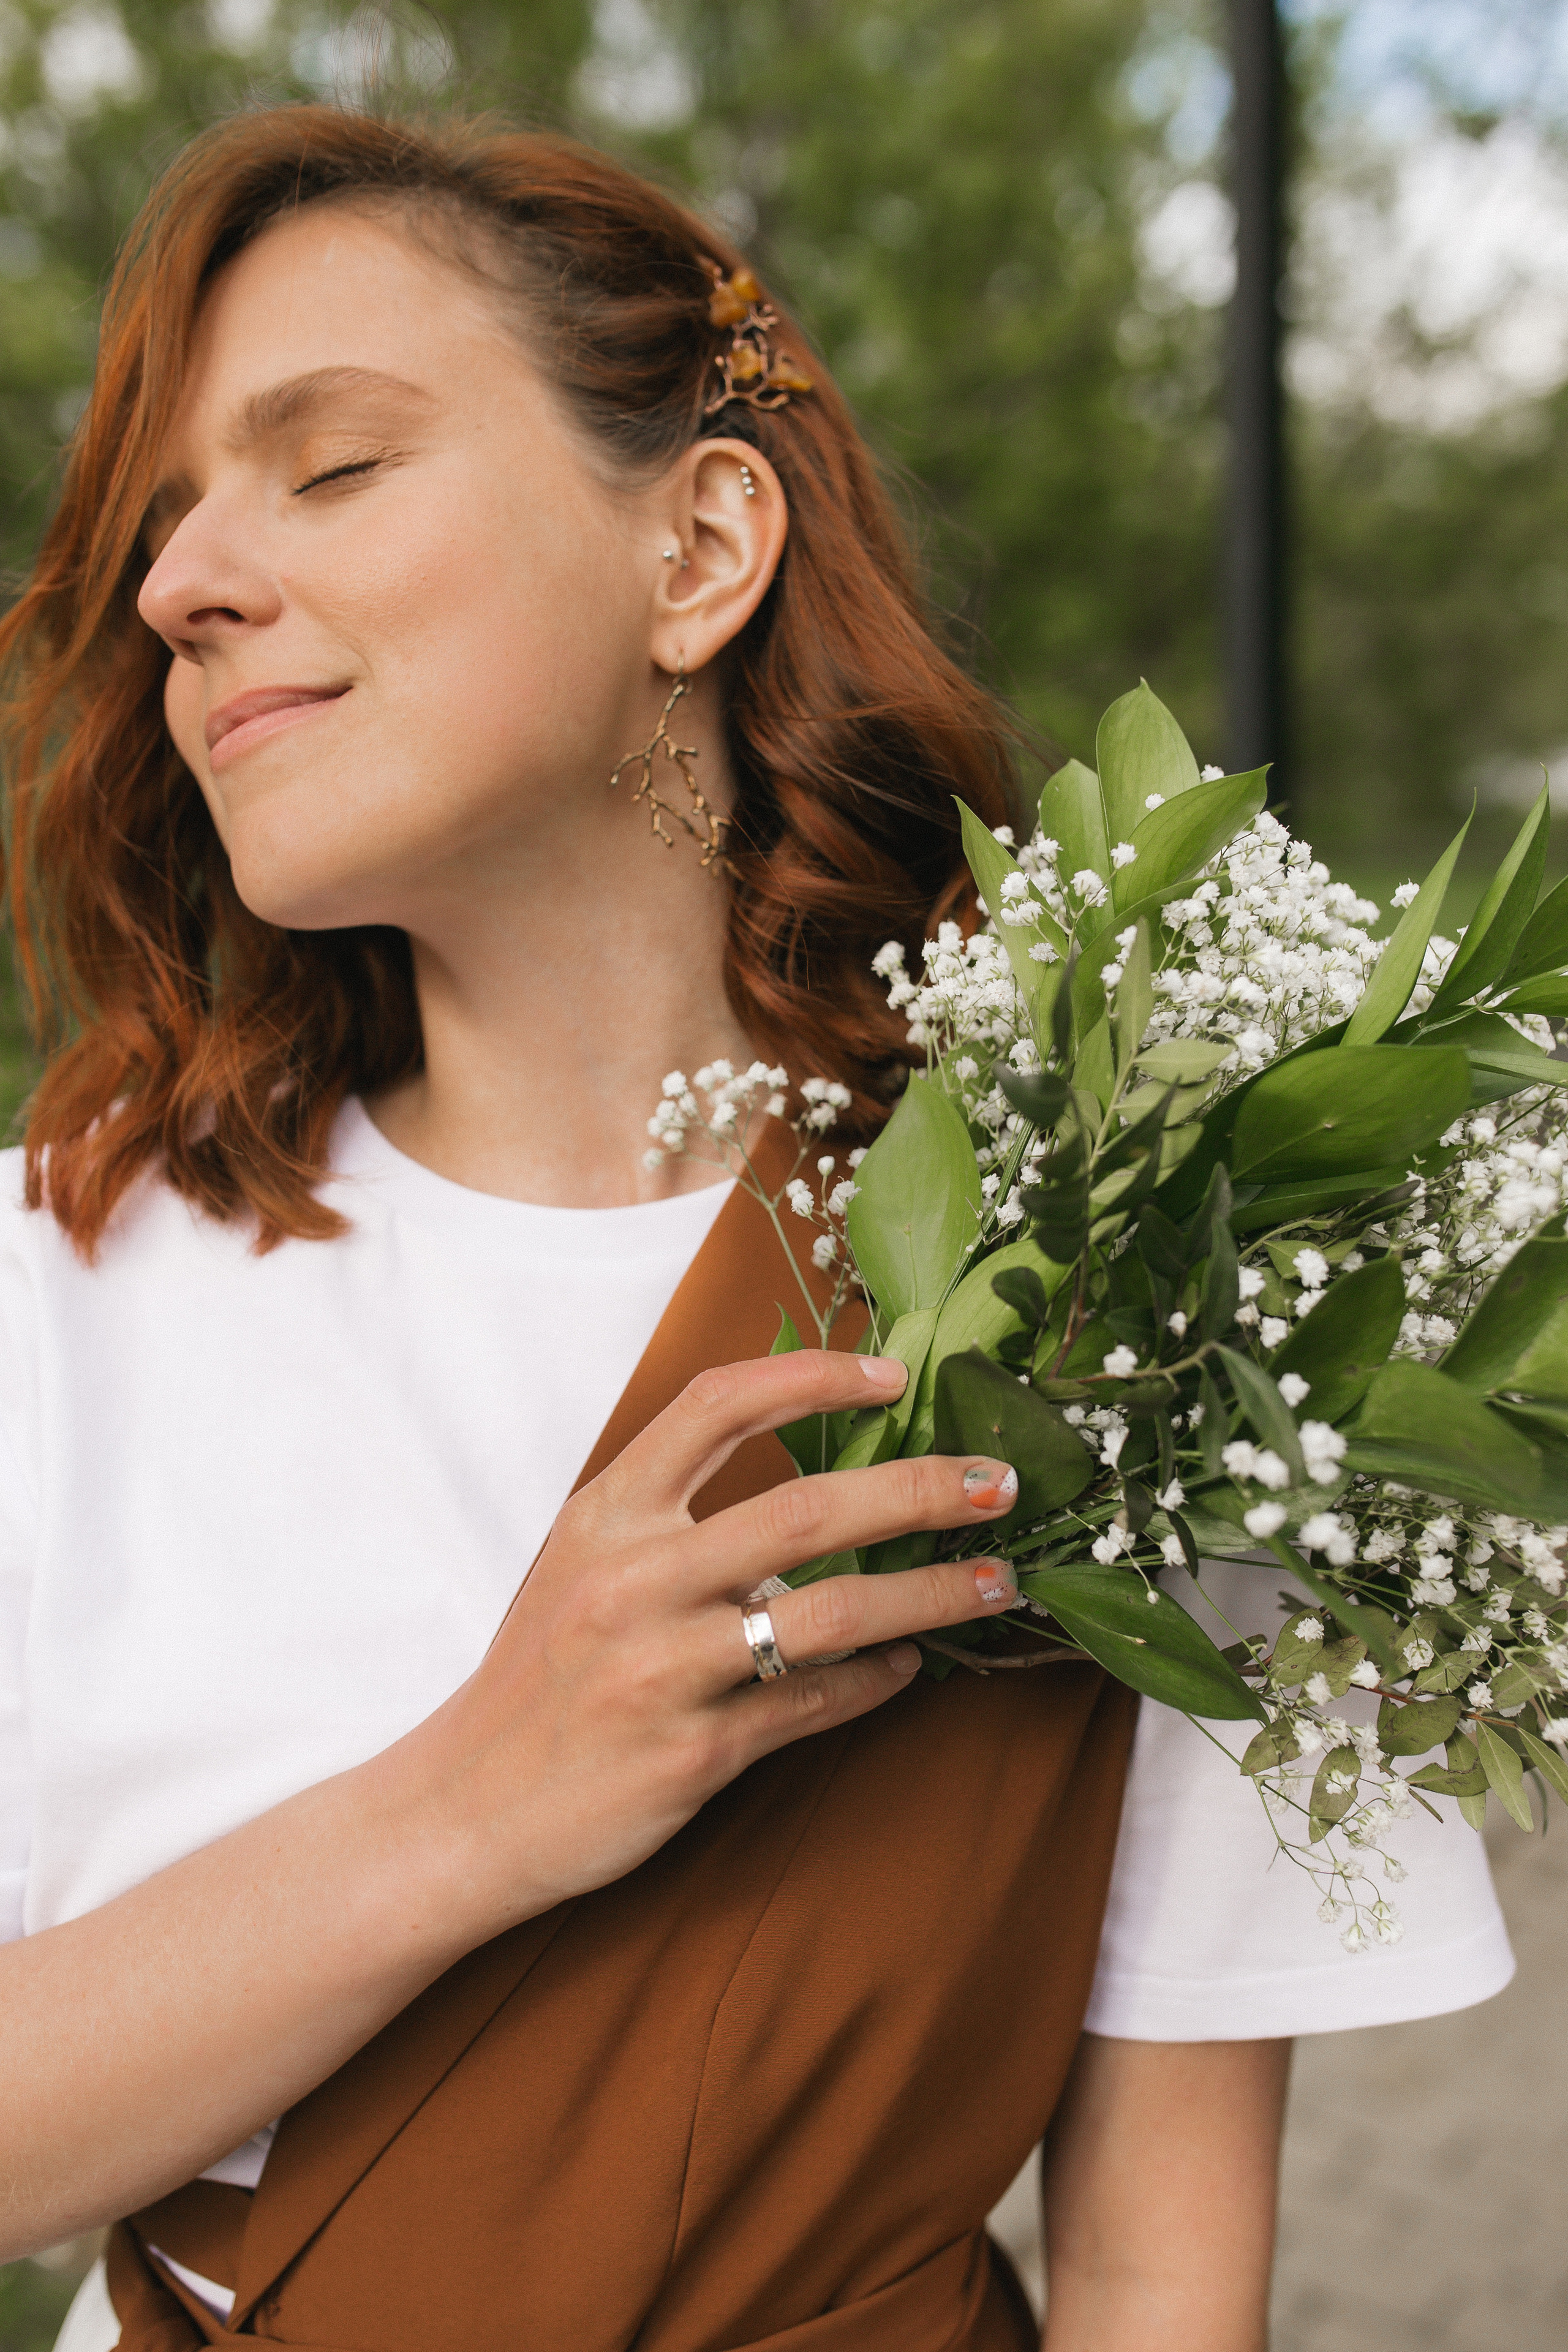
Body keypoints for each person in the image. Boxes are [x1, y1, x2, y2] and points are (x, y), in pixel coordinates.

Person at [0, 105, 1510, 2352]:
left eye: (326, 469)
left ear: (701, 547)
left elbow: (1157, 2259)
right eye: (164, 521)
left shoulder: (1127, 1289)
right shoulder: (66, 1278)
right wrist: (477, 1805)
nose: (175, 586)